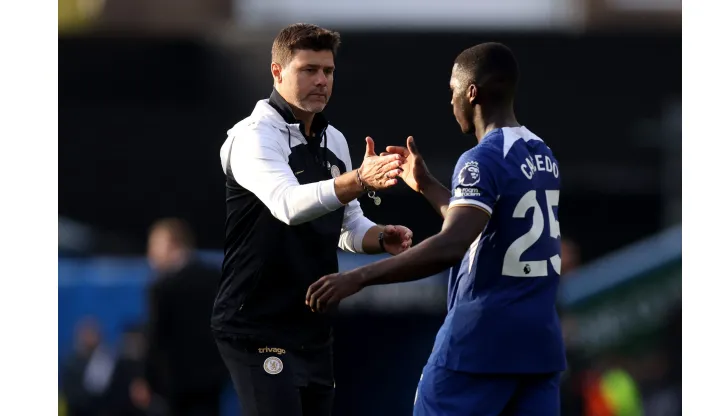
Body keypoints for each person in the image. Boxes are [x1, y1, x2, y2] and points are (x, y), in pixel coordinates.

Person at [306, 42, 566, 415]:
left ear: (471, 92)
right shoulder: (542, 154)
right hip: (539, 347)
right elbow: (485, 231)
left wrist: (357, 278)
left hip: (481, 342)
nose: (451, 102)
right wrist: (426, 184)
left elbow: (453, 244)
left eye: (453, 91)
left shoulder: (482, 157)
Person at [211, 23, 414, 416]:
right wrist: (358, 179)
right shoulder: (253, 136)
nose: (321, 80)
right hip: (256, 324)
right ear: (277, 71)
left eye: (329, 71)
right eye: (309, 70)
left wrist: (378, 236)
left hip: (312, 325)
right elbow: (288, 205)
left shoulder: (334, 140)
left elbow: (346, 227)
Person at [141, 218, 227, 416]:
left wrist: (147, 378)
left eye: (154, 244)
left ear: (171, 243)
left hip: (174, 383)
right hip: (214, 378)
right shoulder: (215, 276)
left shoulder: (161, 287)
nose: (150, 252)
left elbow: (155, 337)